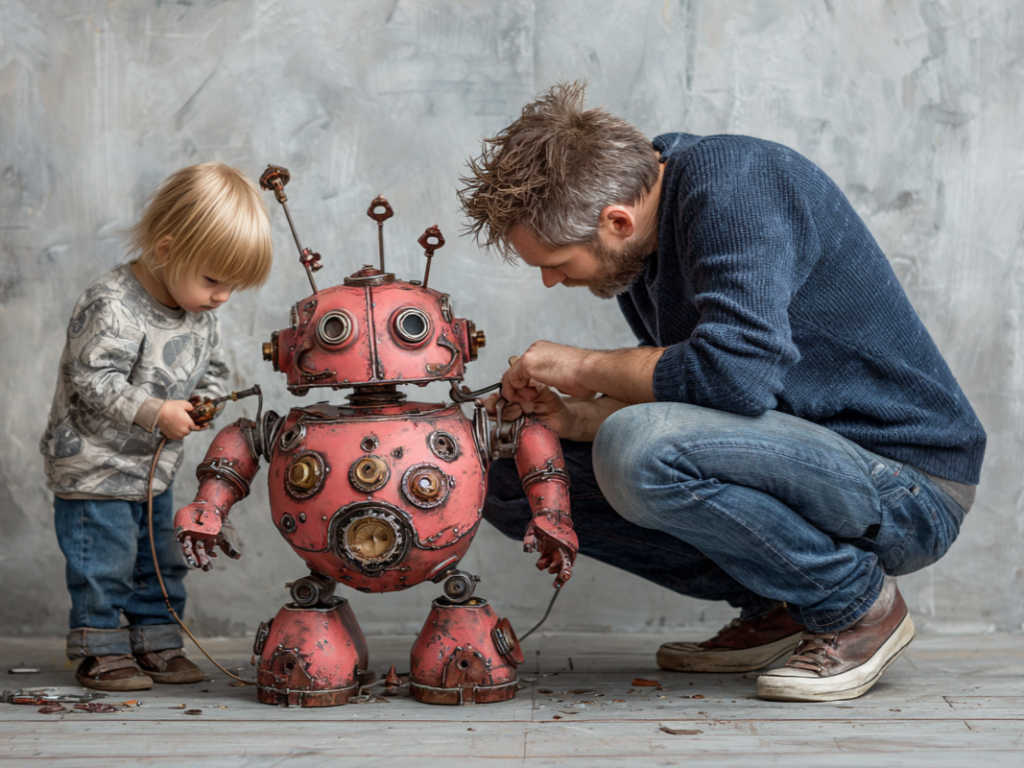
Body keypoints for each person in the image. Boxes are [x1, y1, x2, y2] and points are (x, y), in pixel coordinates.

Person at [458, 82, 986, 702]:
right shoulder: (643, 247)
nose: (550, 281)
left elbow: (735, 377)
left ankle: (855, 606)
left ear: (617, 220)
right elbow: (701, 402)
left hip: (905, 486)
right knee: (504, 471)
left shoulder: (736, 183)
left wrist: (583, 366)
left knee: (637, 446)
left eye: (556, 262)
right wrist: (572, 419)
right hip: (802, 458)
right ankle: (781, 605)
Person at [39, 163, 273, 691]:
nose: (222, 297)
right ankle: (100, 649)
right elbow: (92, 378)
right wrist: (155, 411)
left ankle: (157, 642)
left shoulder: (200, 315)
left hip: (153, 469)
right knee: (105, 564)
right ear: (167, 250)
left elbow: (212, 368)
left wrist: (206, 399)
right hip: (94, 468)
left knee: (160, 561)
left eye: (233, 286)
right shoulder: (112, 304)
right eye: (213, 281)